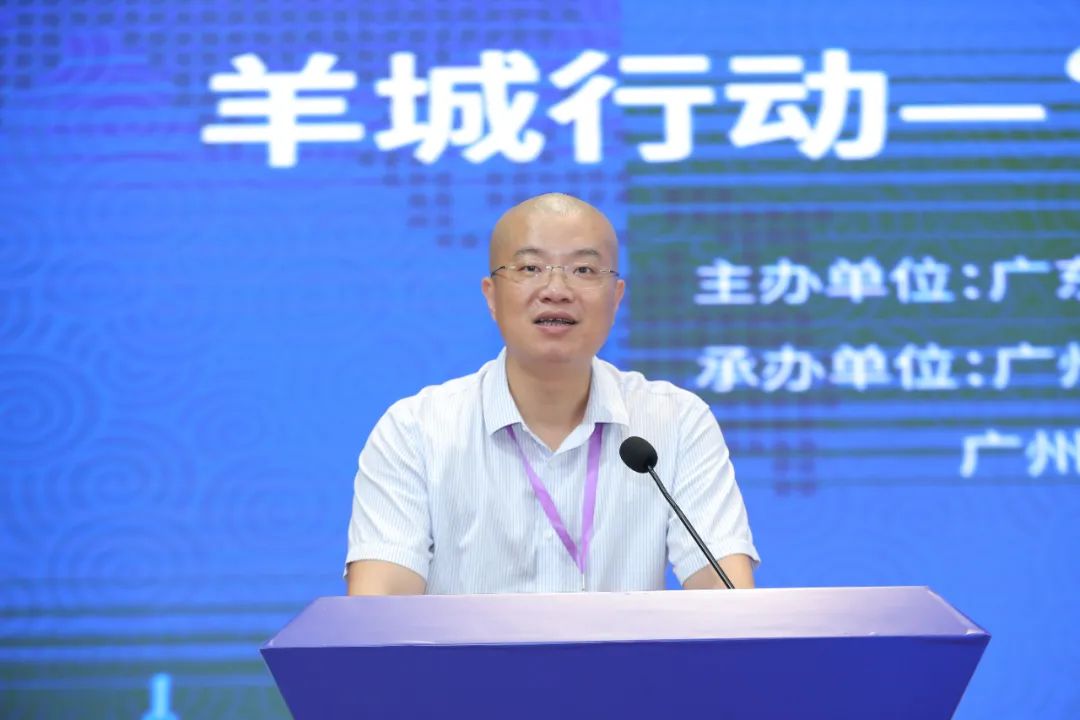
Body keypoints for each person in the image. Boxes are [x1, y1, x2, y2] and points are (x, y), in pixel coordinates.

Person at [345, 193, 758, 595]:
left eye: (584, 270)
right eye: (530, 268)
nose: (556, 289)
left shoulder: (677, 421)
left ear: (616, 298)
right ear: (491, 295)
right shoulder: (416, 431)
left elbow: (725, 595)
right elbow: (378, 609)